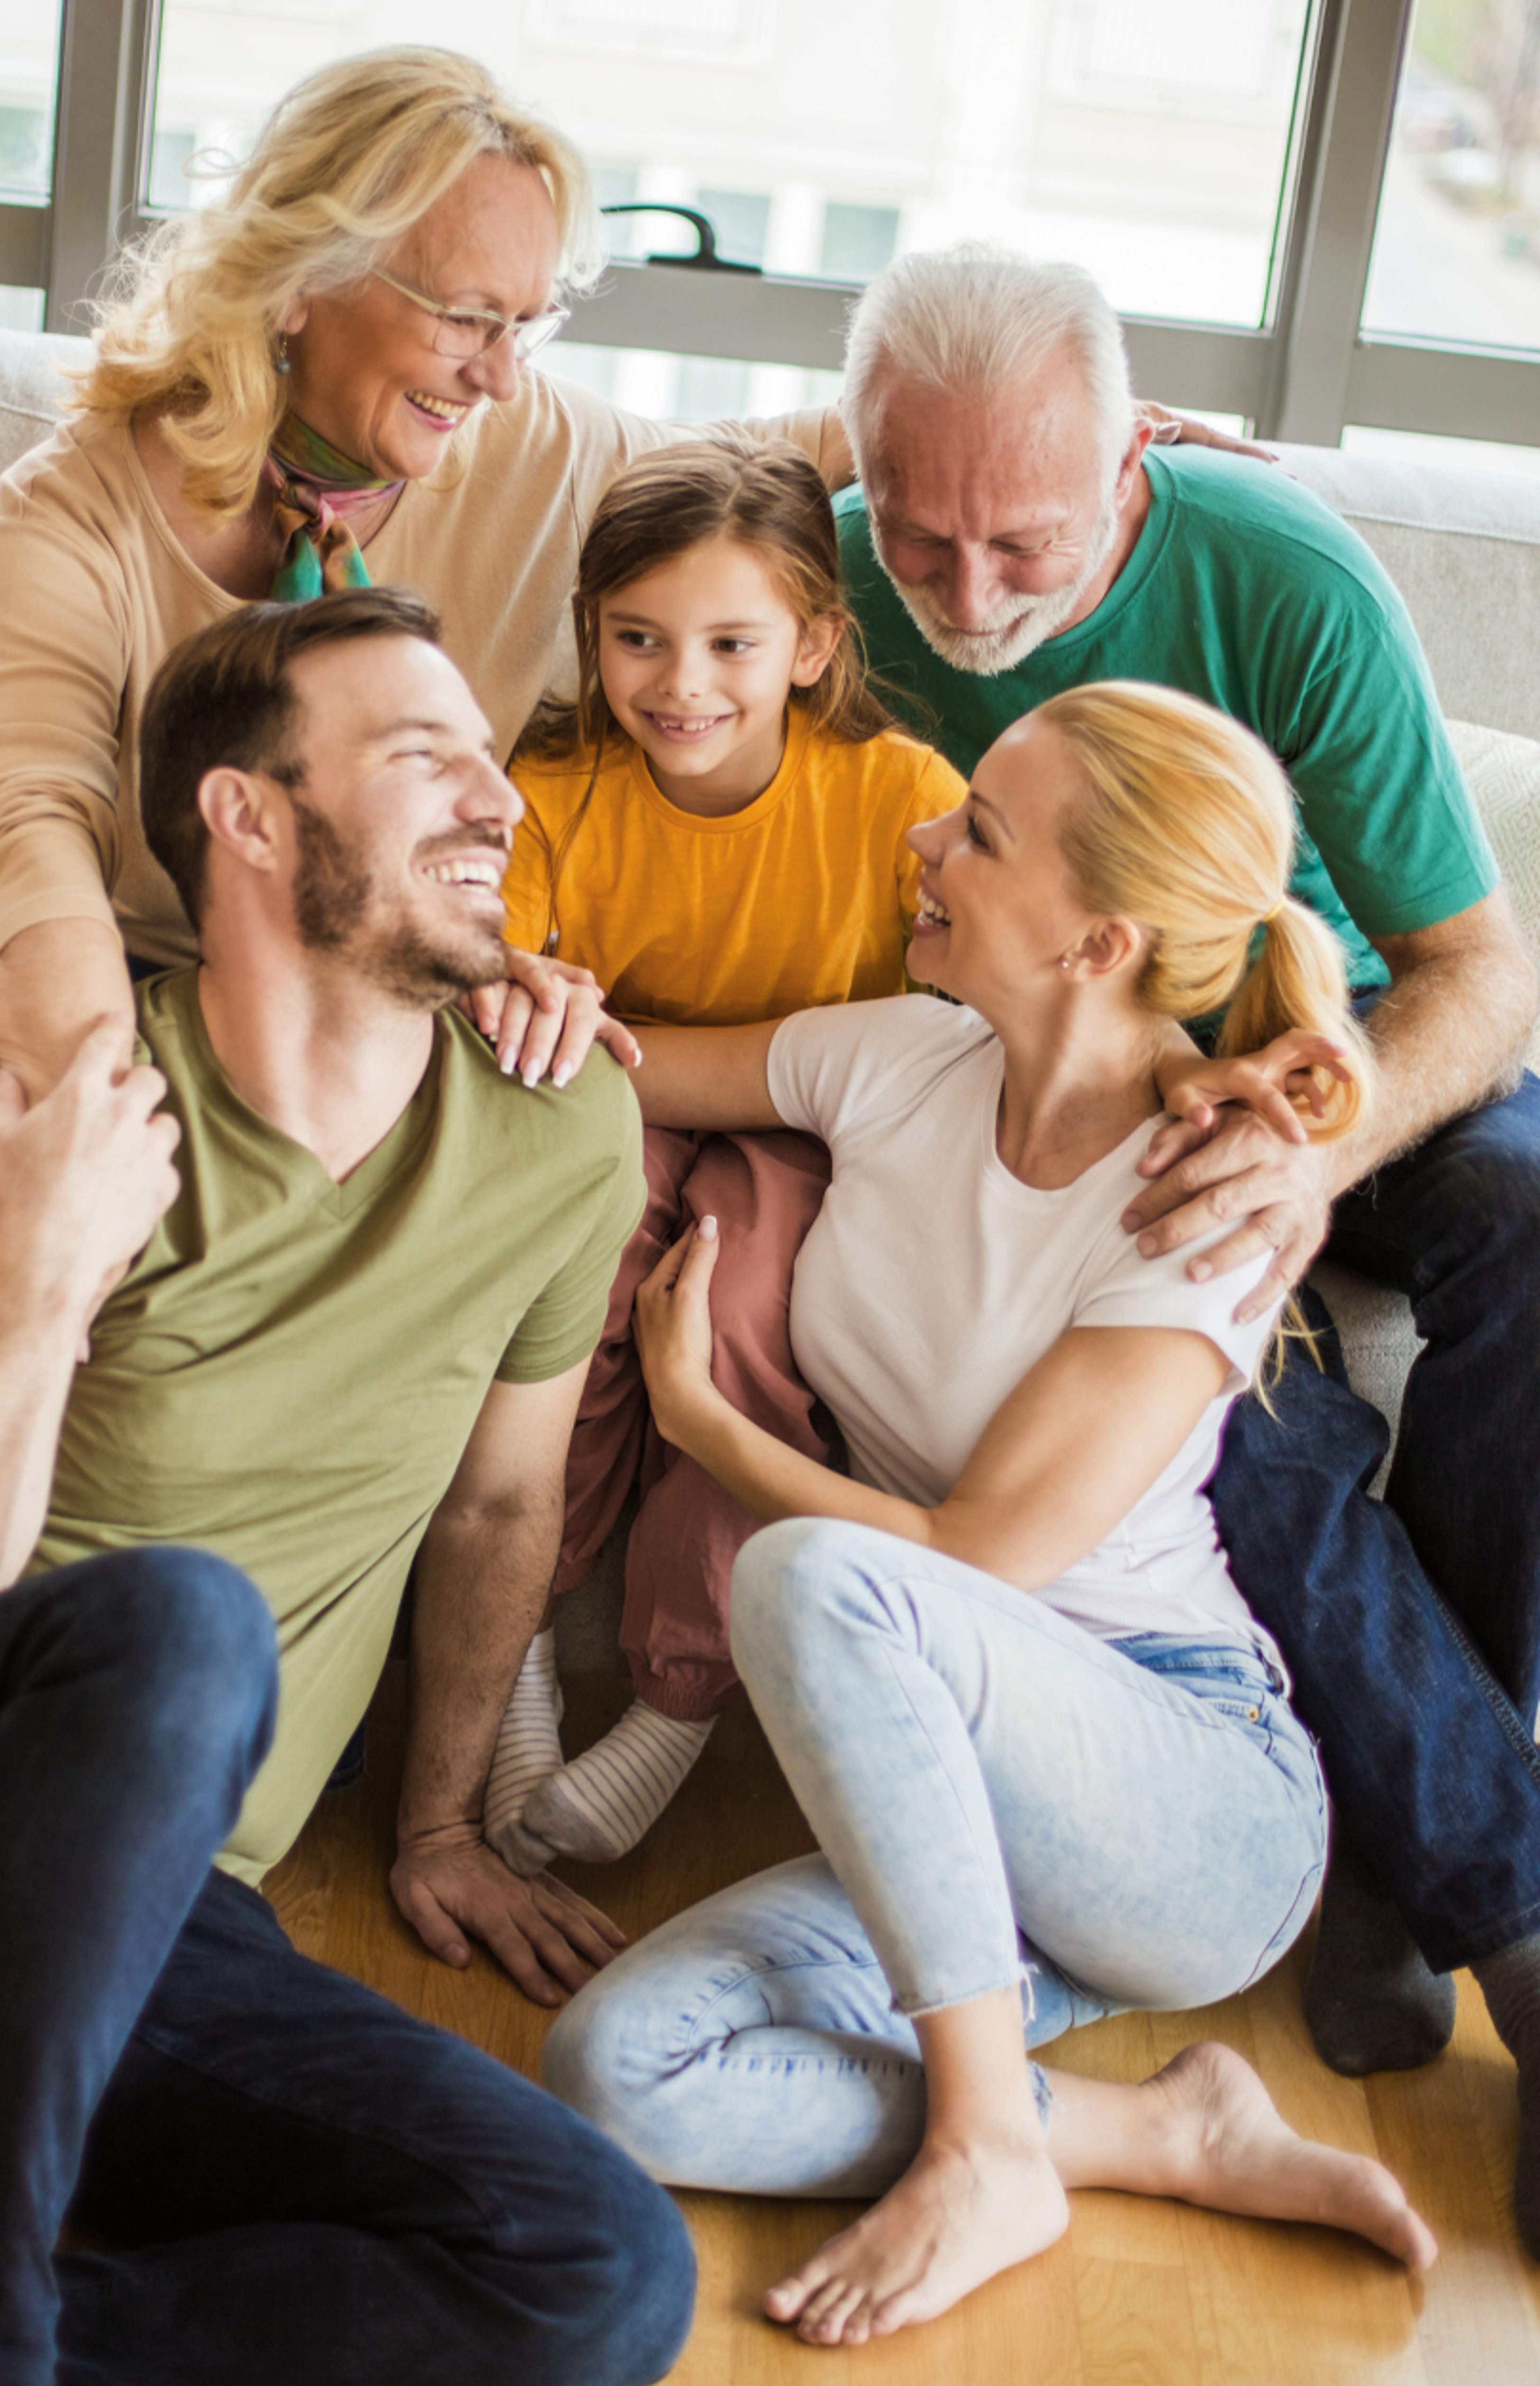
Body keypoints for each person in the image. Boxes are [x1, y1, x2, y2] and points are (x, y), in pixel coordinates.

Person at [0, 589, 694, 2386]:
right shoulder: (28, 1110)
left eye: (490, 759)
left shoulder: (565, 1131)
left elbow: (494, 1516)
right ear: (247, 814)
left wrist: (441, 1822)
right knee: (185, 1623)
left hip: (159, 1925)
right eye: (426, 761)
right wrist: (43, 1269)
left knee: (600, 2264)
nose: (499, 799)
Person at [541, 683, 1435, 2348]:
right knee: (616, 2076)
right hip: (964, 1807)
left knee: (819, 1571)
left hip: (1185, 1802)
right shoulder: (902, 1060)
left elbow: (967, 1566)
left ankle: (978, 2147)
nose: (922, 840)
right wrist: (513, 982)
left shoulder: (1201, 1197)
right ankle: (1141, 2134)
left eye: (981, 835)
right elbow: (635, 1069)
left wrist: (699, 1425)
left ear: (1099, 942)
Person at [0, 44, 1256, 1118]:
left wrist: (1065, 427)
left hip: (399, 989)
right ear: (297, 280)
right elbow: (29, 819)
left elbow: (758, 462)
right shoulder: (74, 511)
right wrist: (92, 1059)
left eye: (532, 322)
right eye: (465, 318)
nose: (502, 375)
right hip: (148, 972)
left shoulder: (529, 443)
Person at [832, 241, 1540, 2243]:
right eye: (922, 531)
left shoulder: (1280, 576)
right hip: (1068, 1110)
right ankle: (1516, 1919)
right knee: (1254, 1429)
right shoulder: (822, 558)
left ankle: (1413, 1851)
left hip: (1320, 1053)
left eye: (1025, 542)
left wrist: (1320, 1152)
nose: (969, 605)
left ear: (1137, 447)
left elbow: (1474, 971)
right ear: (858, 456)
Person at [480, 432, 966, 1869]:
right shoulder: (555, 784)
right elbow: (493, 959)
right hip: (609, 1103)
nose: (679, 684)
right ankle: (511, 1655)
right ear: (593, 635)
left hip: (817, 1124)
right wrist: (507, 981)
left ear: (813, 646)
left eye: (730, 644)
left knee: (742, 1318)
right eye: (637, 639)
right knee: (571, 1304)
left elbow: (964, 1010)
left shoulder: (899, 794)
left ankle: (679, 1697)